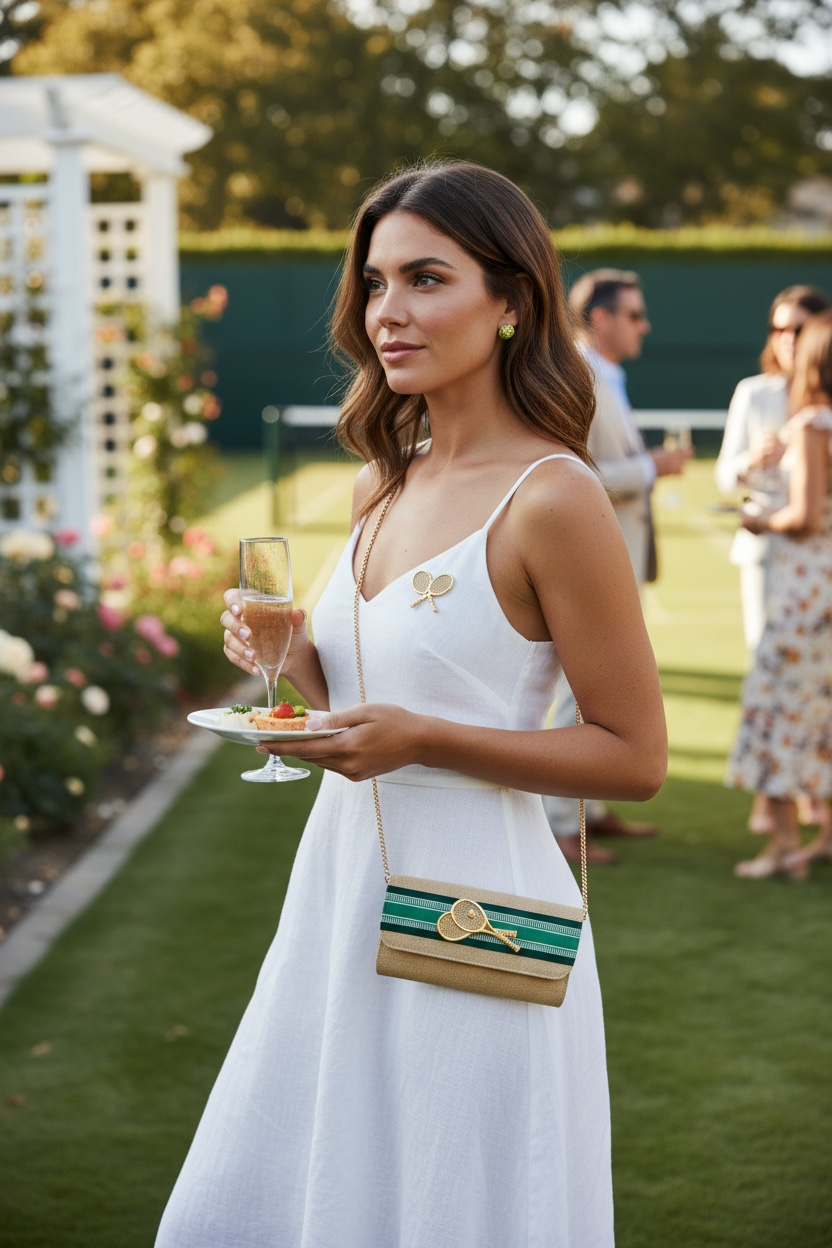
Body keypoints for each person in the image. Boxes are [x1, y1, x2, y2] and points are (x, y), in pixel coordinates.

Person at [156, 163, 667, 1248]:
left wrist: (425, 739)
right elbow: (362, 706)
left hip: (478, 912)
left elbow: (634, 757)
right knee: (293, 1181)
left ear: (512, 298)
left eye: (426, 278)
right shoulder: (379, 480)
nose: (389, 310)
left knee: (450, 1199)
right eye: (377, 281)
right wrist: (291, 649)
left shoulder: (555, 497)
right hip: (338, 892)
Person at [543, 268, 690, 865]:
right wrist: (654, 465)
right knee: (570, 692)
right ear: (600, 318)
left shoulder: (607, 374)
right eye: (634, 314)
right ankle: (555, 824)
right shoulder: (582, 375)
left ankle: (587, 811)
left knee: (595, 692)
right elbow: (574, 478)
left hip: (614, 557)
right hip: (588, 563)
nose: (644, 325)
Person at [716, 284, 830, 838]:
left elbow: (808, 509)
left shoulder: (817, 412)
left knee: (807, 684)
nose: (786, 339)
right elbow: (724, 475)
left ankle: (807, 807)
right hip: (768, 558)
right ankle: (772, 800)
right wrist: (750, 463)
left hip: (810, 562)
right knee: (772, 676)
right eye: (778, 328)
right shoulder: (755, 392)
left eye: (799, 328)